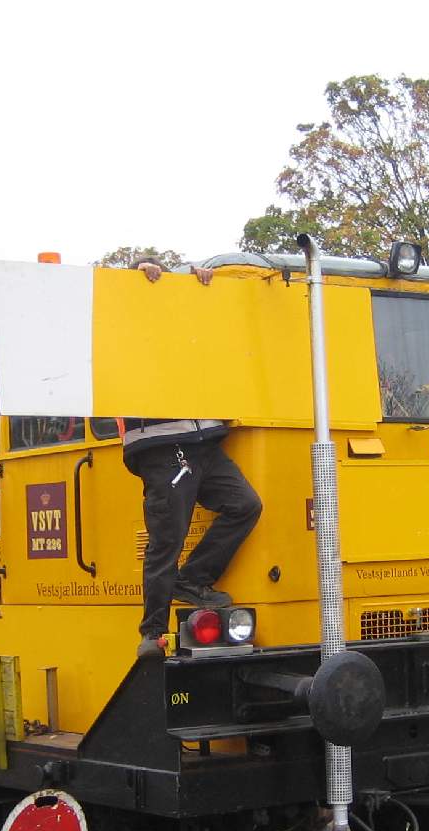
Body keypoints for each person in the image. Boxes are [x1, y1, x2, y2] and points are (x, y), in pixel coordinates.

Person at [125, 258, 263, 660]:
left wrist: (203, 289)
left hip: (204, 441)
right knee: (167, 539)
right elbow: (125, 311)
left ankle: (194, 579)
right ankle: (153, 632)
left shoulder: (189, 332)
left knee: (246, 504)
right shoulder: (135, 333)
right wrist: (138, 274)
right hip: (163, 446)